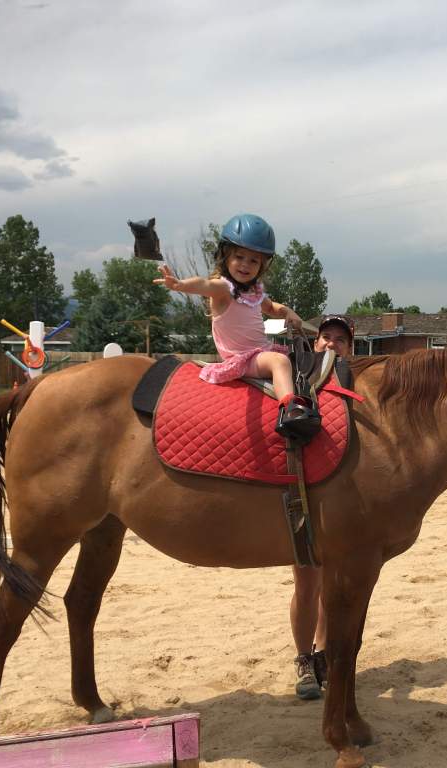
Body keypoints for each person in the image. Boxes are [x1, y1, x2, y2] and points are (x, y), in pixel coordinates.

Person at [154, 213, 314, 436]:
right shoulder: (223, 290)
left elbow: (271, 307)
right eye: (239, 257)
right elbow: (204, 285)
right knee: (280, 362)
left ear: (262, 265)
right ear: (225, 256)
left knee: (299, 361)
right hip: (242, 358)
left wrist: (288, 311)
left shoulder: (254, 292)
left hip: (260, 352)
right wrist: (180, 285)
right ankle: (290, 410)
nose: (245, 265)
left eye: (254, 260)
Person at [291, 314, 354, 700]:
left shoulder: (356, 385)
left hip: (342, 503)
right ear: (315, 343)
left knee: (332, 587)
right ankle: (303, 659)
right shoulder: (299, 379)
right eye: (326, 337)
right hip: (304, 497)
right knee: (306, 586)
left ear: (350, 347)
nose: (331, 343)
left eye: (340, 340)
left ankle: (322, 655)